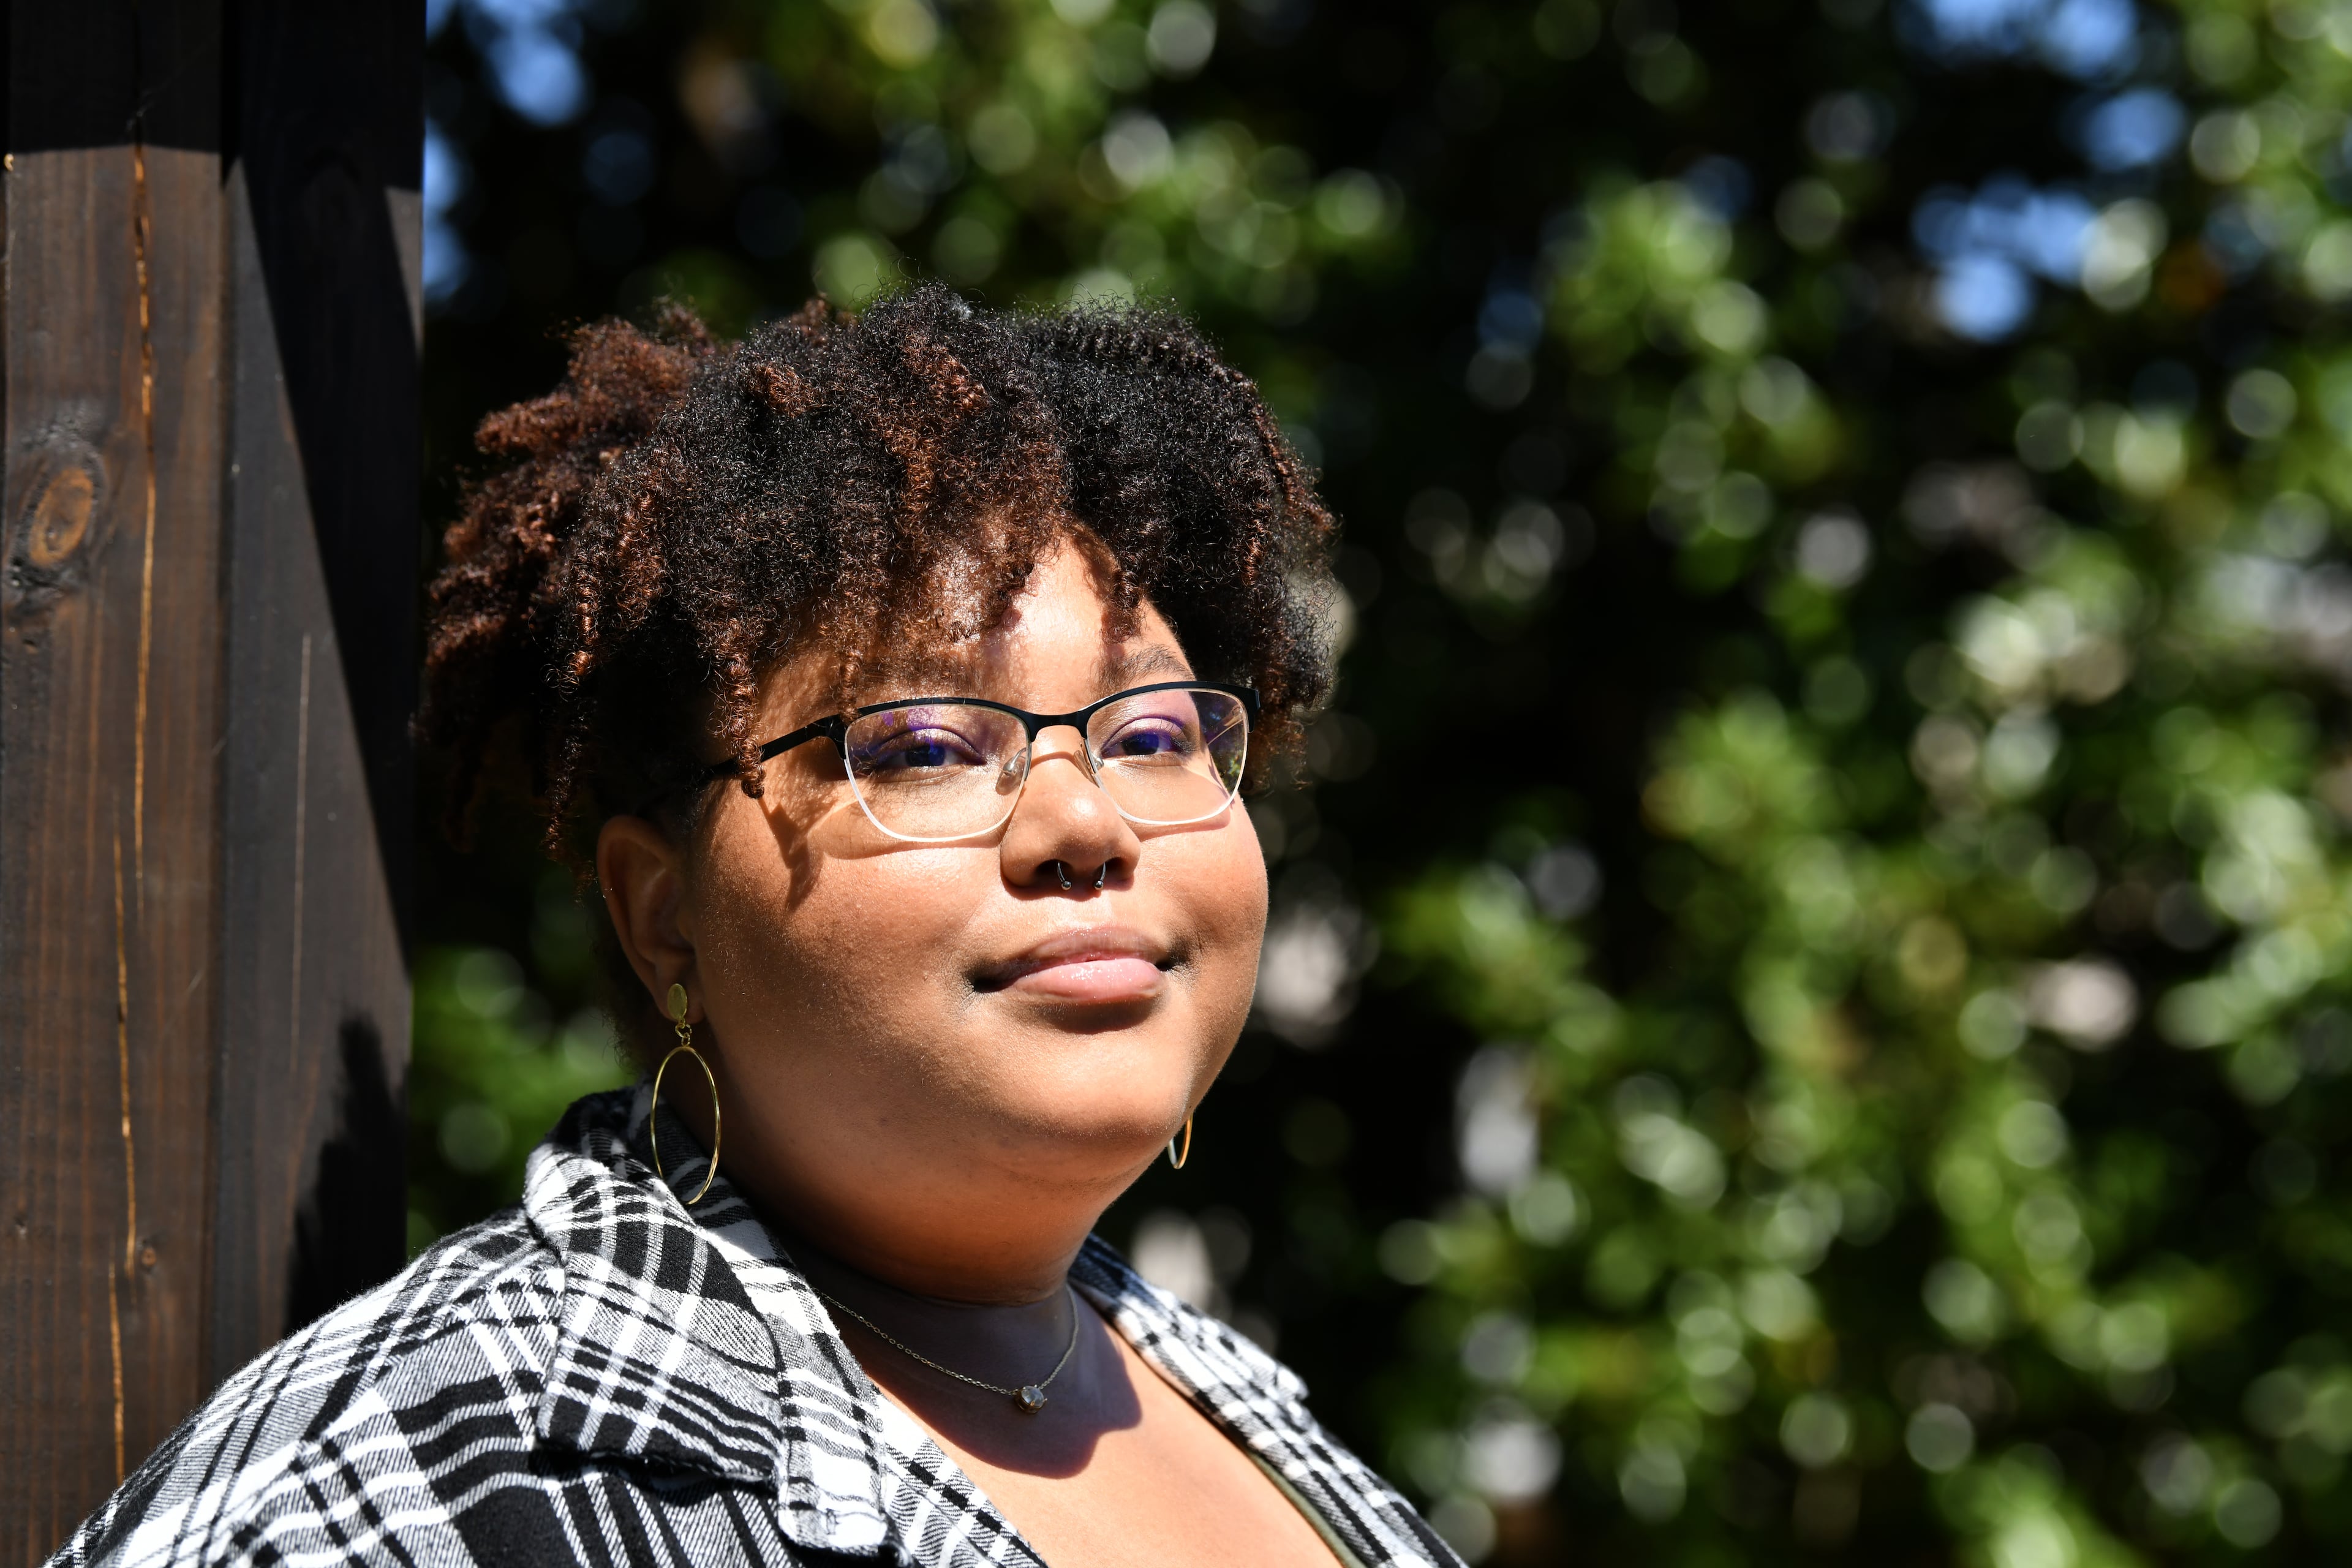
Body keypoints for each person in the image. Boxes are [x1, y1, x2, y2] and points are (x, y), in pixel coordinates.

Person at [53, 285, 1459, 1567]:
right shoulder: (433, 1480)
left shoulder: (1241, 1401)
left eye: (1154, 728)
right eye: (920, 745)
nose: (1086, 822)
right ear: (663, 915)